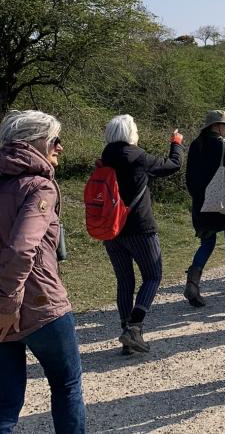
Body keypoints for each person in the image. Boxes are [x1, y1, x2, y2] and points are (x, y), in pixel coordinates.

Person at [0, 110, 85, 433]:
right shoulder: (39, 187)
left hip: (1, 308)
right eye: (54, 140)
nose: (60, 147)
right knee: (67, 386)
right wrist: (9, 304)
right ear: (33, 142)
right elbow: (23, 248)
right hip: (40, 306)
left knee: (5, 405)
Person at [100, 115, 183, 354]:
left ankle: (127, 331)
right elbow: (172, 165)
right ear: (129, 133)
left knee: (125, 281)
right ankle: (134, 329)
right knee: (153, 275)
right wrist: (176, 142)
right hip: (139, 228)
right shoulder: (136, 155)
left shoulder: (106, 157)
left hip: (111, 230)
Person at [184, 110, 225, 307]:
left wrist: (198, 198)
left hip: (202, 204)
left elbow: (189, 177)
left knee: (207, 243)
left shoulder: (196, 144)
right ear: (216, 126)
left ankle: (193, 283)